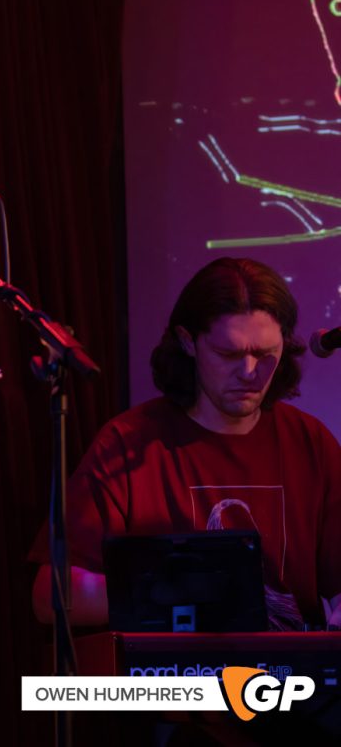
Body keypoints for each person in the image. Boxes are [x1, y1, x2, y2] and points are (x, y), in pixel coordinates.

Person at [32, 257, 341, 631]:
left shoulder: (310, 444)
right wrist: (174, 593)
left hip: (290, 685)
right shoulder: (128, 445)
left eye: (264, 354)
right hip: (181, 684)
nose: (249, 373)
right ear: (187, 341)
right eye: (228, 354)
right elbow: (51, 595)